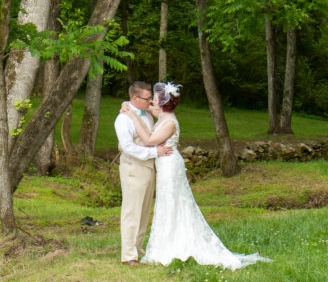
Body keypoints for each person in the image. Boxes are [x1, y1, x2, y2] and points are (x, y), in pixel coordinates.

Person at [120, 82, 269, 269]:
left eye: (155, 100)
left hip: (169, 165)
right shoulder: (161, 115)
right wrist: (127, 105)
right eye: (150, 100)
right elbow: (142, 106)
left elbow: (150, 140)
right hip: (161, 164)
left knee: (173, 202)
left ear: (163, 104)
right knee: (166, 204)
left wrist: (133, 115)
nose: (151, 103)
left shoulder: (169, 121)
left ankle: (172, 244)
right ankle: (160, 244)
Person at [114, 81, 173, 266]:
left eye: (150, 99)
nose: (150, 102)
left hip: (149, 168)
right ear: (134, 98)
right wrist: (154, 152)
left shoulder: (146, 113)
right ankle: (128, 255)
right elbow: (128, 147)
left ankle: (138, 248)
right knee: (132, 211)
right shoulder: (123, 119)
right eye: (146, 99)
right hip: (133, 167)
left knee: (144, 211)